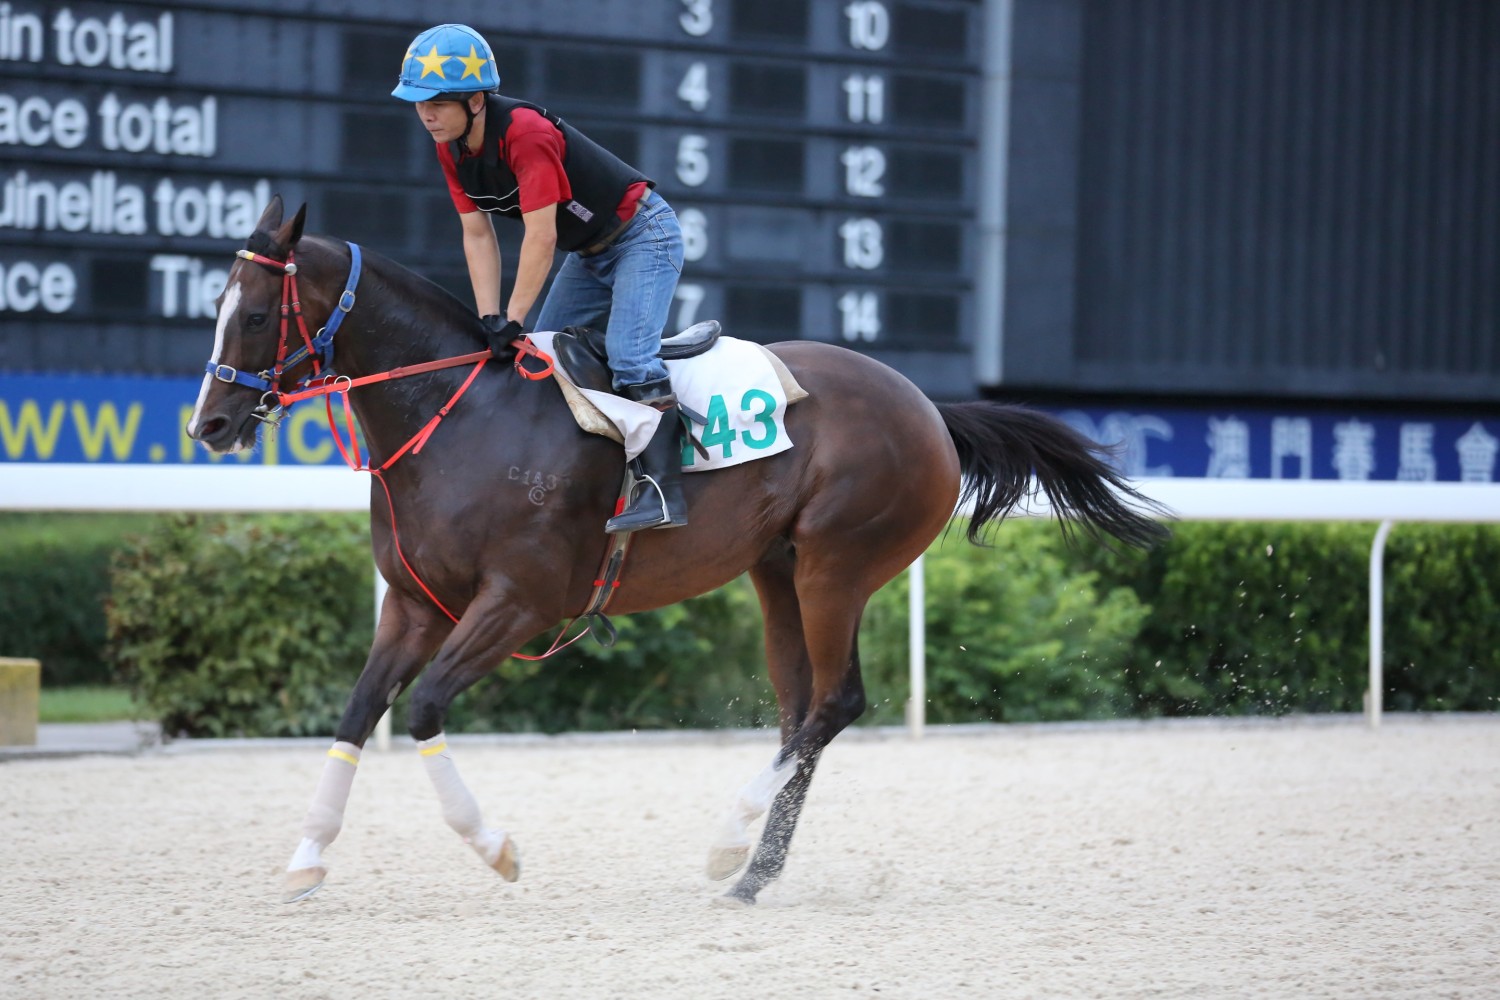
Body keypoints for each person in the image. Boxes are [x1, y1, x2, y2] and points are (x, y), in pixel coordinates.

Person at [392, 23, 687, 533]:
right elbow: (477, 235)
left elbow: (541, 238)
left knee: (630, 357)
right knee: (544, 359)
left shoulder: (524, 133)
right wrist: (492, 319)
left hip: (643, 236)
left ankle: (663, 491)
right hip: (590, 252)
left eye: (437, 101)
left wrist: (514, 317)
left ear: (478, 101)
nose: (426, 114)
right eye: (419, 103)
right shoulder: (449, 145)